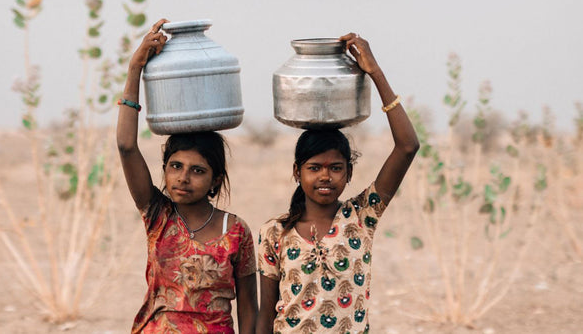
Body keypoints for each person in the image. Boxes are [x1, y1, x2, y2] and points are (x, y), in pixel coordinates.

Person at [256, 32, 419, 334]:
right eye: (314, 168)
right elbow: (265, 313)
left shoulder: (362, 216)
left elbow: (408, 146)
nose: (325, 177)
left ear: (348, 173)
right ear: (297, 171)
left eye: (335, 168)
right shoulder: (274, 231)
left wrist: (375, 72)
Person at [117, 18, 258, 334]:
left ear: (216, 180)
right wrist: (135, 69)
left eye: (198, 171)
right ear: (165, 170)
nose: (183, 178)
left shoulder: (236, 232)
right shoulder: (158, 216)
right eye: (175, 166)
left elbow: (249, 306)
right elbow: (126, 146)